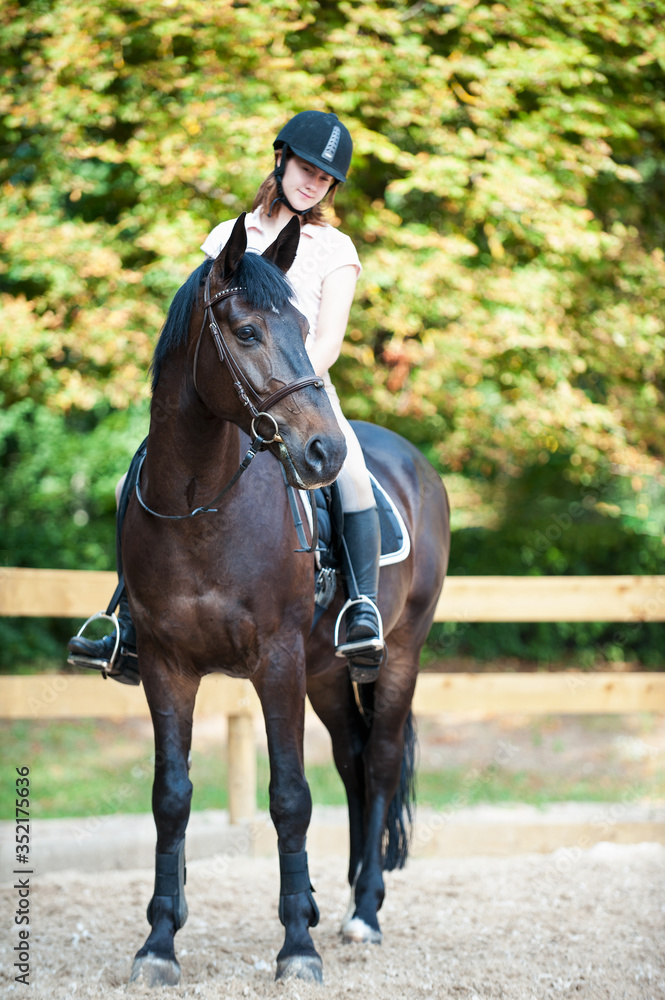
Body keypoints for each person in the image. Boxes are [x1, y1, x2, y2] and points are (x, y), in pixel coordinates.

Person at [68, 110, 383, 683]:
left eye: (325, 179)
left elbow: (329, 341)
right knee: (127, 482)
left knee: (354, 475)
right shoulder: (229, 235)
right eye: (307, 168)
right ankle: (129, 622)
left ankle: (361, 609)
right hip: (222, 396)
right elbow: (194, 327)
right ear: (282, 159)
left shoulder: (335, 247)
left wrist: (286, 386)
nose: (313, 183)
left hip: (299, 391)